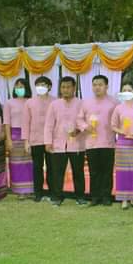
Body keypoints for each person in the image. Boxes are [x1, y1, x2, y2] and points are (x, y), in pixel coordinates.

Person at [44, 77, 86, 206]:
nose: (65, 90)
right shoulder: (54, 105)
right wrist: (47, 142)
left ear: (74, 88)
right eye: (63, 87)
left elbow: (85, 122)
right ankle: (57, 197)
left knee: (78, 171)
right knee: (57, 172)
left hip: (77, 144)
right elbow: (49, 125)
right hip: (59, 144)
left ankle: (80, 196)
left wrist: (78, 131)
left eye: (68, 87)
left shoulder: (81, 104)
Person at [77, 74, 117, 206]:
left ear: (106, 86)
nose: (97, 87)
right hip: (91, 142)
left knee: (107, 170)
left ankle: (106, 196)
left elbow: (119, 119)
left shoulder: (114, 102)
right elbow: (79, 119)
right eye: (94, 85)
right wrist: (84, 127)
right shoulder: (86, 102)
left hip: (108, 142)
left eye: (100, 84)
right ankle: (95, 196)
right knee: (93, 171)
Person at [111, 82, 133, 209]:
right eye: (124, 90)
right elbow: (113, 125)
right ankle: (123, 198)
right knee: (123, 171)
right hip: (123, 142)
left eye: (129, 90)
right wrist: (122, 132)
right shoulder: (118, 108)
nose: (126, 92)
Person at [22, 75, 55, 202]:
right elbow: (25, 123)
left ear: (49, 87)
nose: (41, 87)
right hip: (35, 139)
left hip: (51, 140)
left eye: (43, 85)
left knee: (52, 167)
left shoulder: (55, 101)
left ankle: (53, 192)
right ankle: (38, 192)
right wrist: (26, 141)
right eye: (38, 85)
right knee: (37, 167)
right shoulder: (29, 102)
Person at [4, 78, 33, 199]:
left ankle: (31, 189)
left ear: (26, 88)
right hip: (14, 135)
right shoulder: (9, 102)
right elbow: (6, 122)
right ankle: (19, 191)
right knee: (16, 163)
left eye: (22, 86)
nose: (19, 88)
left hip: (30, 135)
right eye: (17, 86)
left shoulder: (31, 101)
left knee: (30, 163)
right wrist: (8, 139)